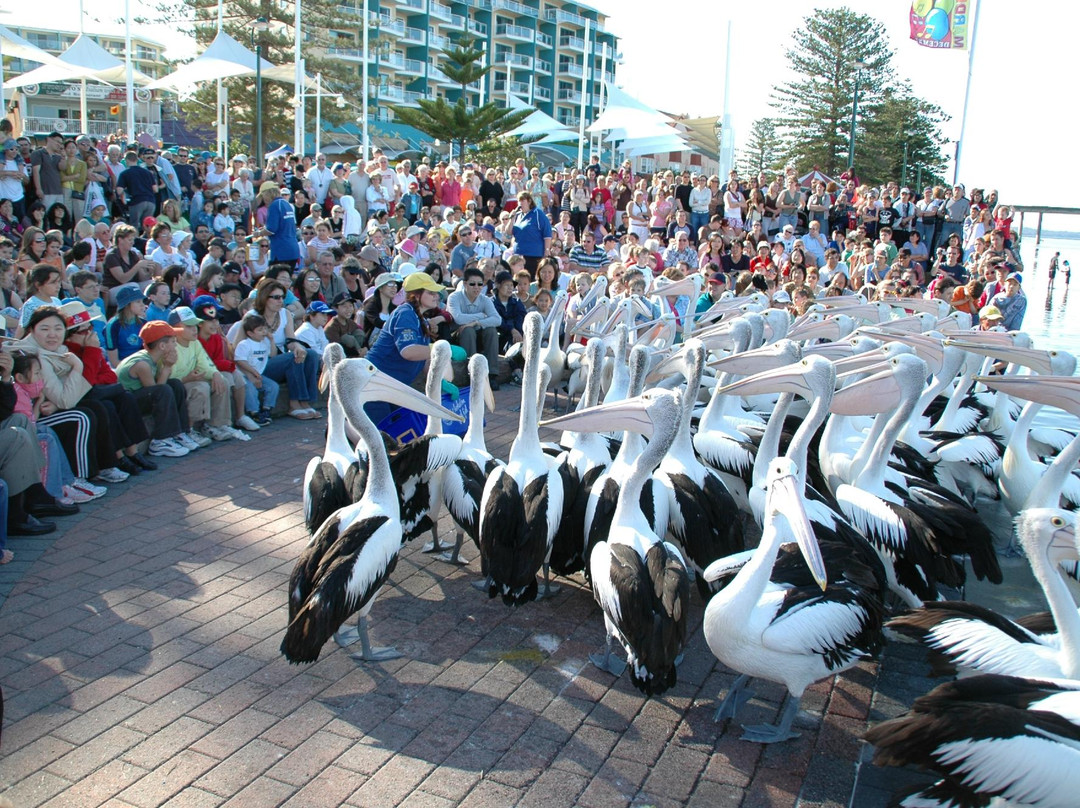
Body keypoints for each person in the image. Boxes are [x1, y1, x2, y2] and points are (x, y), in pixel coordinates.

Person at [227, 278, 321, 419]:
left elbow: (290, 340)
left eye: (282, 297)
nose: (280, 301)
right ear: (265, 298)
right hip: (257, 365)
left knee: (310, 354)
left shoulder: (285, 314)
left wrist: (298, 347)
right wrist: (249, 373)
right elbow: (236, 348)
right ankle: (294, 404)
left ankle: (306, 402)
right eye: (276, 297)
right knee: (291, 358)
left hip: (277, 360)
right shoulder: (251, 316)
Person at [365, 271, 444, 424]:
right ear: (416, 295)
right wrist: (441, 349)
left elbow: (425, 360)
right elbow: (409, 351)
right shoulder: (405, 313)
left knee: (401, 430)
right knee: (381, 436)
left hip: (393, 386)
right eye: (431, 292)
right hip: (374, 383)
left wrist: (440, 383)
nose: (437, 296)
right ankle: (346, 428)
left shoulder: (420, 318)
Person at [115, 320, 194, 457]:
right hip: (126, 404)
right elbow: (156, 392)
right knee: (163, 390)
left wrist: (166, 367)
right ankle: (160, 440)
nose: (176, 345)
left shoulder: (155, 358)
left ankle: (180, 432)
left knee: (175, 384)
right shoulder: (142, 364)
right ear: (162, 346)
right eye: (173, 341)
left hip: (140, 396)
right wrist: (167, 367)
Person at [447, 267, 501, 387]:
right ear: (465, 284)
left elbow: (497, 319)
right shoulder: (454, 297)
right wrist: (481, 316)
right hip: (457, 336)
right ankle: (471, 372)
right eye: (472, 284)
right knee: (468, 330)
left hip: (478, 335)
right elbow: (458, 318)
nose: (476, 287)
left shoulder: (485, 300)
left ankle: (492, 374)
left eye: (480, 284)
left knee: (491, 331)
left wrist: (477, 322)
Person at [233, 313, 278, 426]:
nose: (264, 332)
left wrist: (272, 340)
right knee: (249, 388)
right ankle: (254, 412)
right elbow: (240, 360)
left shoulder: (264, 343)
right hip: (245, 375)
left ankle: (266, 409)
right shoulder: (244, 344)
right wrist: (253, 372)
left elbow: (272, 354)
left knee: (273, 386)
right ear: (250, 333)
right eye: (260, 330)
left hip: (259, 375)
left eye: (264, 329)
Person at [259, 182, 300, 266]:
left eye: (263, 195)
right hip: (293, 249)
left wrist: (259, 233)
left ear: (268, 193)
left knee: (274, 277)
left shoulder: (274, 205)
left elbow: (271, 230)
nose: (263, 198)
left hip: (281, 251)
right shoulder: (286, 204)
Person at [491, 269, 526, 352]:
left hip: (517, 336)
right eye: (507, 285)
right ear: (498, 285)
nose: (510, 288)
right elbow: (498, 320)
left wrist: (515, 331)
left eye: (511, 285)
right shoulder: (491, 303)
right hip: (499, 337)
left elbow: (521, 318)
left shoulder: (517, 302)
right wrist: (512, 329)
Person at [325, 293, 364, 357]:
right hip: (340, 357)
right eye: (344, 306)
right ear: (336, 308)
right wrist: (358, 352)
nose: (348, 309)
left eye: (350, 306)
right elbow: (336, 348)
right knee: (347, 339)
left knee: (359, 333)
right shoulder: (332, 327)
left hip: (355, 352)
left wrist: (365, 348)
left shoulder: (350, 322)